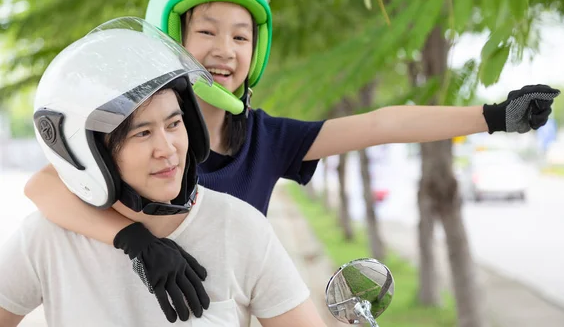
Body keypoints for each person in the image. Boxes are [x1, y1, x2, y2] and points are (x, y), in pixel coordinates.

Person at [23, 0, 560, 321]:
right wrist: (134, 239)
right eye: (206, 32)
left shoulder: (267, 140)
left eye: (241, 36)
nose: (224, 50)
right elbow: (43, 187)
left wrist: (491, 116)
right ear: (170, 37)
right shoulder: (114, 142)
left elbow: (381, 124)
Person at [0, 18, 327, 327]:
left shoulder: (238, 227)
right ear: (92, 152)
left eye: (174, 124)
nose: (168, 148)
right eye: (142, 133)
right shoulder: (47, 238)